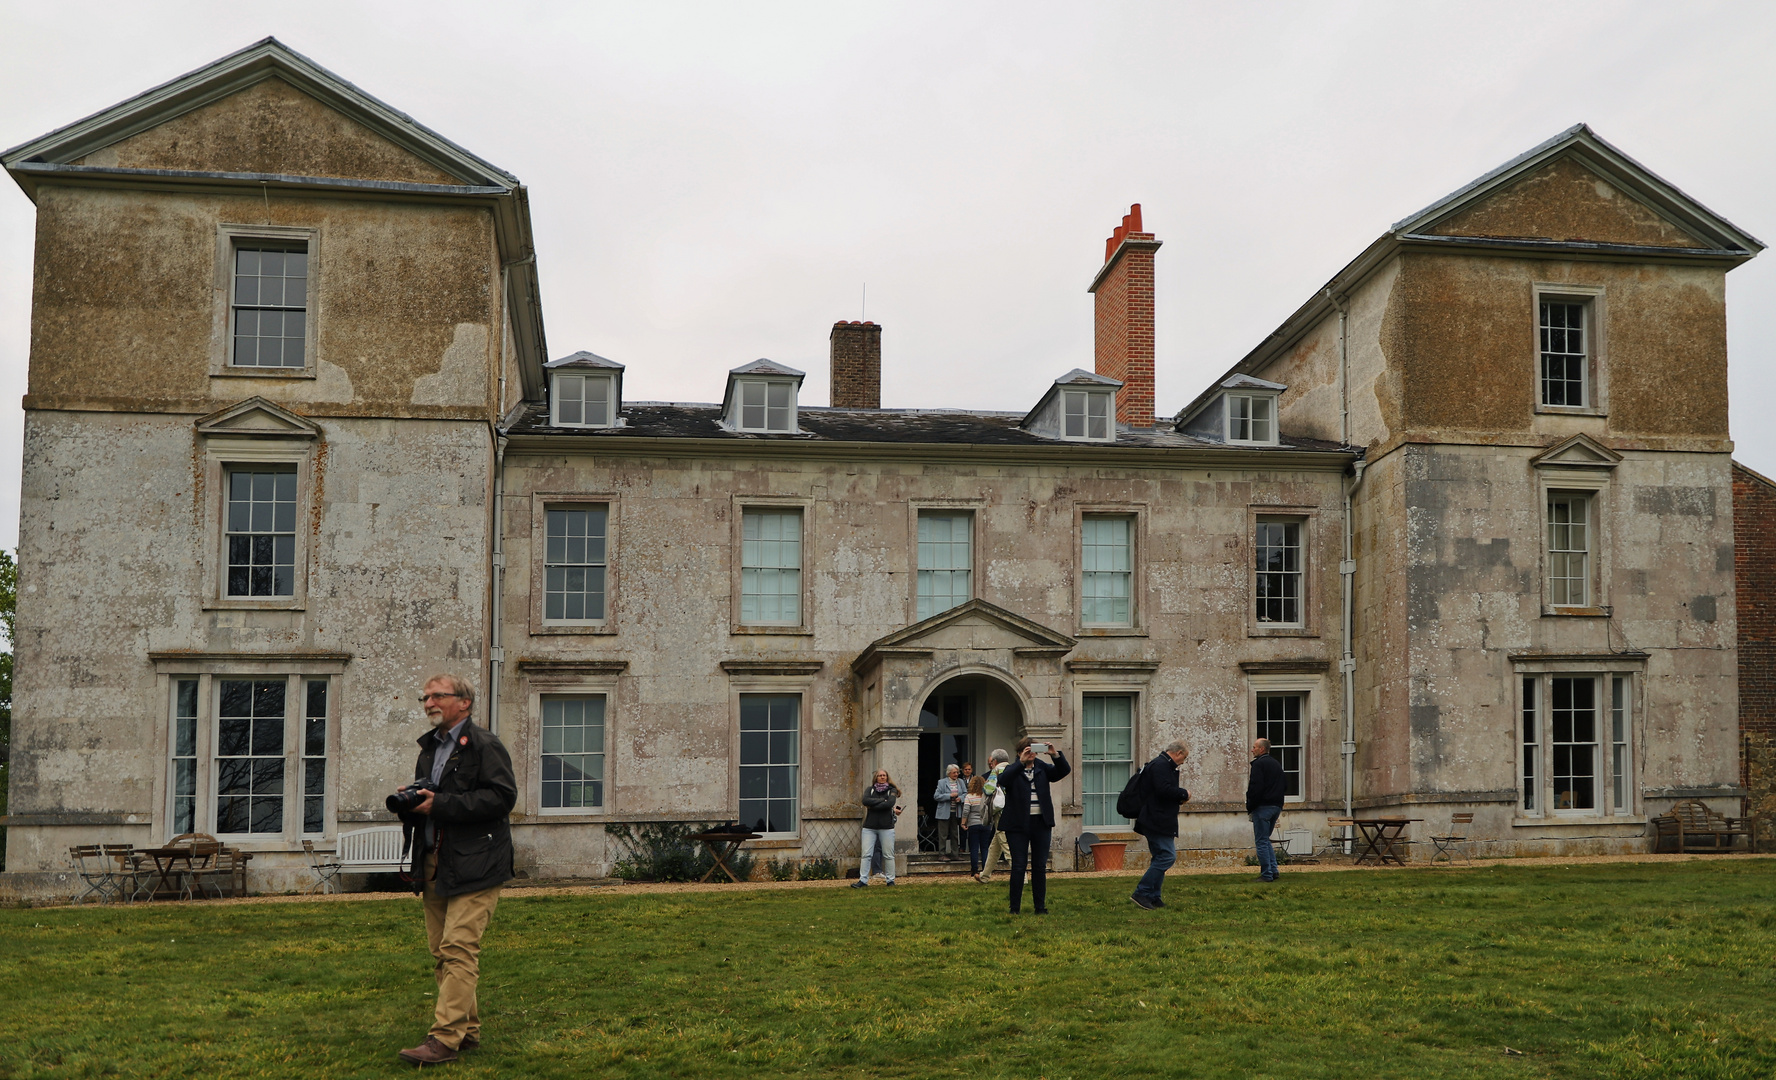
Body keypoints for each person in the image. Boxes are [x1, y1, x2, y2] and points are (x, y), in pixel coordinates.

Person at [390, 675, 516, 1067]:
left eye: (437, 696)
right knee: (441, 953)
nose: (428, 702)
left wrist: (441, 804)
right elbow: (438, 796)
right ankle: (468, 1031)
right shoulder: (430, 749)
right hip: (436, 860)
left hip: (477, 863)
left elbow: (502, 797)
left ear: (463, 702)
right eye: (424, 696)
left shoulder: (484, 744)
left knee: (459, 949)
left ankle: (443, 1039)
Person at [993, 737, 1070, 914]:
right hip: (1017, 824)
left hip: (1040, 823)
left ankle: (1040, 907)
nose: (1031, 754)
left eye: (1033, 750)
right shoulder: (1012, 769)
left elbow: (1063, 771)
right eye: (1027, 751)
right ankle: (1014, 908)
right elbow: (1004, 781)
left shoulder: (1042, 768)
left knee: (1039, 866)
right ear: (1020, 753)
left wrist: (1055, 755)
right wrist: (1021, 763)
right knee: (1019, 866)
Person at [1129, 740, 1191, 910]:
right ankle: (1142, 892)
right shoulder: (1161, 765)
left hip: (1155, 817)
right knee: (1167, 856)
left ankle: (1153, 896)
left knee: (1159, 856)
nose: (1183, 762)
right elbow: (1163, 790)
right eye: (1184, 757)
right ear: (1177, 753)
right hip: (1157, 818)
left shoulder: (1159, 764)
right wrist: (1184, 793)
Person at [1247, 737, 1287, 883]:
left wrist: (1250, 805)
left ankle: (1267, 874)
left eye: (1254, 747)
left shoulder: (1258, 764)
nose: (1252, 750)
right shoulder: (1276, 764)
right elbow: (1285, 785)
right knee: (1266, 840)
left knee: (1261, 841)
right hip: (1276, 806)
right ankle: (1273, 870)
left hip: (1262, 807)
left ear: (1261, 749)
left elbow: (1255, 788)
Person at [853, 769, 902, 887]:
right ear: (876, 777)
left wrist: (874, 804)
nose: (882, 777)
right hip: (869, 826)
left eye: (884, 775)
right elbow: (865, 800)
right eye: (880, 775)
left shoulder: (892, 790)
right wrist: (882, 801)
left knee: (888, 854)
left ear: (887, 777)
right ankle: (863, 880)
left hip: (886, 827)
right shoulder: (870, 790)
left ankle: (890, 880)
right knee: (866, 854)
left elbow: (890, 803)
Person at [975, 749, 1012, 883]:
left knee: (1006, 846)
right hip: (1013, 811)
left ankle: (1022, 877)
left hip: (1000, 813)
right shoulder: (1014, 769)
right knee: (994, 847)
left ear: (995, 761)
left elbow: (988, 789)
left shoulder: (996, 771)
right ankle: (984, 876)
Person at [932, 764, 966, 860]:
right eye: (954, 772)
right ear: (949, 773)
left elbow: (965, 793)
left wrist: (961, 798)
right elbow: (936, 796)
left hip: (956, 812)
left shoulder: (961, 782)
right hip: (944, 812)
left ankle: (955, 854)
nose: (956, 774)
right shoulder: (942, 782)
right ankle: (942, 854)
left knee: (955, 834)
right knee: (943, 834)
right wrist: (949, 796)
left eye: (957, 772)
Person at [961, 775, 990, 875]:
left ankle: (974, 869)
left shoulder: (969, 796)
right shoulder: (986, 796)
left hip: (973, 823)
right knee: (985, 848)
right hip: (986, 823)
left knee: (974, 848)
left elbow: (965, 811)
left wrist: (963, 822)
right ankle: (985, 870)